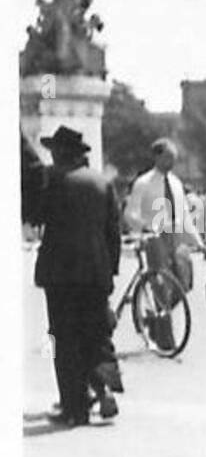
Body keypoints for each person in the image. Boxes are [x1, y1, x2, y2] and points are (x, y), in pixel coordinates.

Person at [30, 126, 121, 427]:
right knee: (96, 335)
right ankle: (106, 389)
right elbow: (113, 233)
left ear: (60, 152)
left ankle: (75, 407)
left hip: (60, 272)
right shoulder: (102, 183)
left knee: (64, 338)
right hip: (95, 271)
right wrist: (110, 271)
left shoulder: (52, 179)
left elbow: (35, 214)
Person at [124, 138, 206, 350]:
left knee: (185, 282)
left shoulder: (176, 183)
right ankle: (165, 340)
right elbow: (130, 213)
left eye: (175, 158)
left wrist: (199, 242)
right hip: (155, 238)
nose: (173, 161)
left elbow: (184, 217)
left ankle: (155, 317)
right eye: (169, 157)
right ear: (157, 156)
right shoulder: (143, 183)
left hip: (176, 237)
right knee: (160, 285)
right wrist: (146, 226)